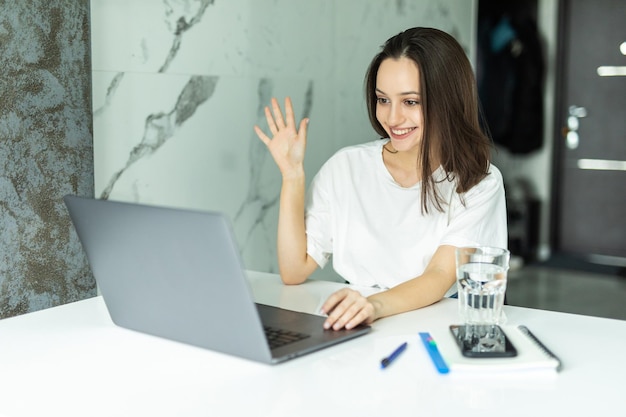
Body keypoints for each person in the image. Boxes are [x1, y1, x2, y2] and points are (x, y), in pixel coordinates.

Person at [254, 27, 507, 331]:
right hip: (359, 324)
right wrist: (292, 176)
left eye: (410, 102)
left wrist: (374, 305)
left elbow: (439, 275)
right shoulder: (345, 167)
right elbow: (294, 270)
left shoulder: (479, 182)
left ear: (447, 101)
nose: (392, 118)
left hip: (435, 327)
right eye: (383, 99)